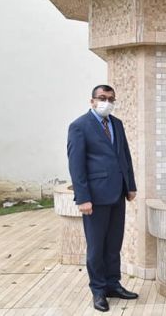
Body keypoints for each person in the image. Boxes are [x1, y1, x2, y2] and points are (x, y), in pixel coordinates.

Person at [67, 85, 138, 312]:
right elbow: (76, 165)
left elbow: (125, 156)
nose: (106, 102)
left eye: (110, 99)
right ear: (92, 101)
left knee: (113, 243)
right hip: (95, 197)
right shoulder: (79, 126)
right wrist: (83, 198)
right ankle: (98, 290)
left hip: (117, 193)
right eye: (102, 98)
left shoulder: (117, 124)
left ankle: (113, 284)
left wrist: (130, 185)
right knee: (96, 246)